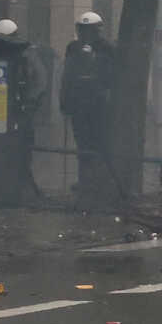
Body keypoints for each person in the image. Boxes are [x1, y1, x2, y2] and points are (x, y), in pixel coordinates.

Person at [0, 18, 46, 195]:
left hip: (20, 110)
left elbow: (39, 81)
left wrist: (29, 104)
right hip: (3, 111)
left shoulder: (27, 55)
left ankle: (21, 186)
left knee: (22, 150)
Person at [59, 11, 116, 209]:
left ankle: (100, 181)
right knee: (82, 142)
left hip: (98, 103)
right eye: (82, 30)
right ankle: (84, 180)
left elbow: (111, 77)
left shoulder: (107, 48)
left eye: (89, 30)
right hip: (78, 103)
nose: (85, 34)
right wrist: (64, 99)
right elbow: (67, 74)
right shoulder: (72, 47)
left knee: (99, 142)